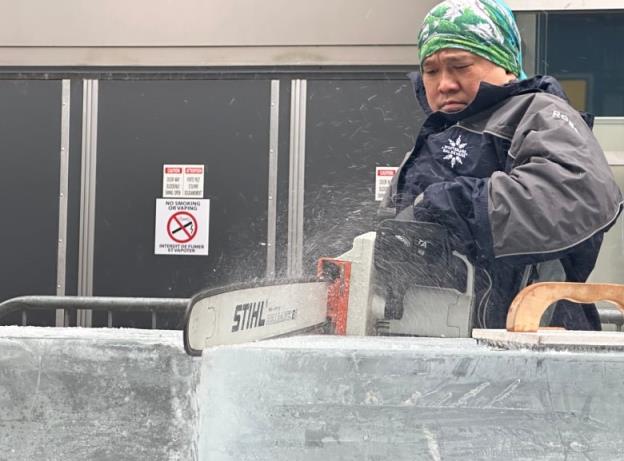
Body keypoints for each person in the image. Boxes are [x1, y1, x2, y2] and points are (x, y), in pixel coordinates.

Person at [380, 0, 623, 330]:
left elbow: (581, 194)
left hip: (530, 343)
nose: (444, 84)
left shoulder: (537, 113)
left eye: (460, 66)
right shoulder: (431, 139)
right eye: (431, 70)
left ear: (505, 63)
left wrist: (460, 205)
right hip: (434, 346)